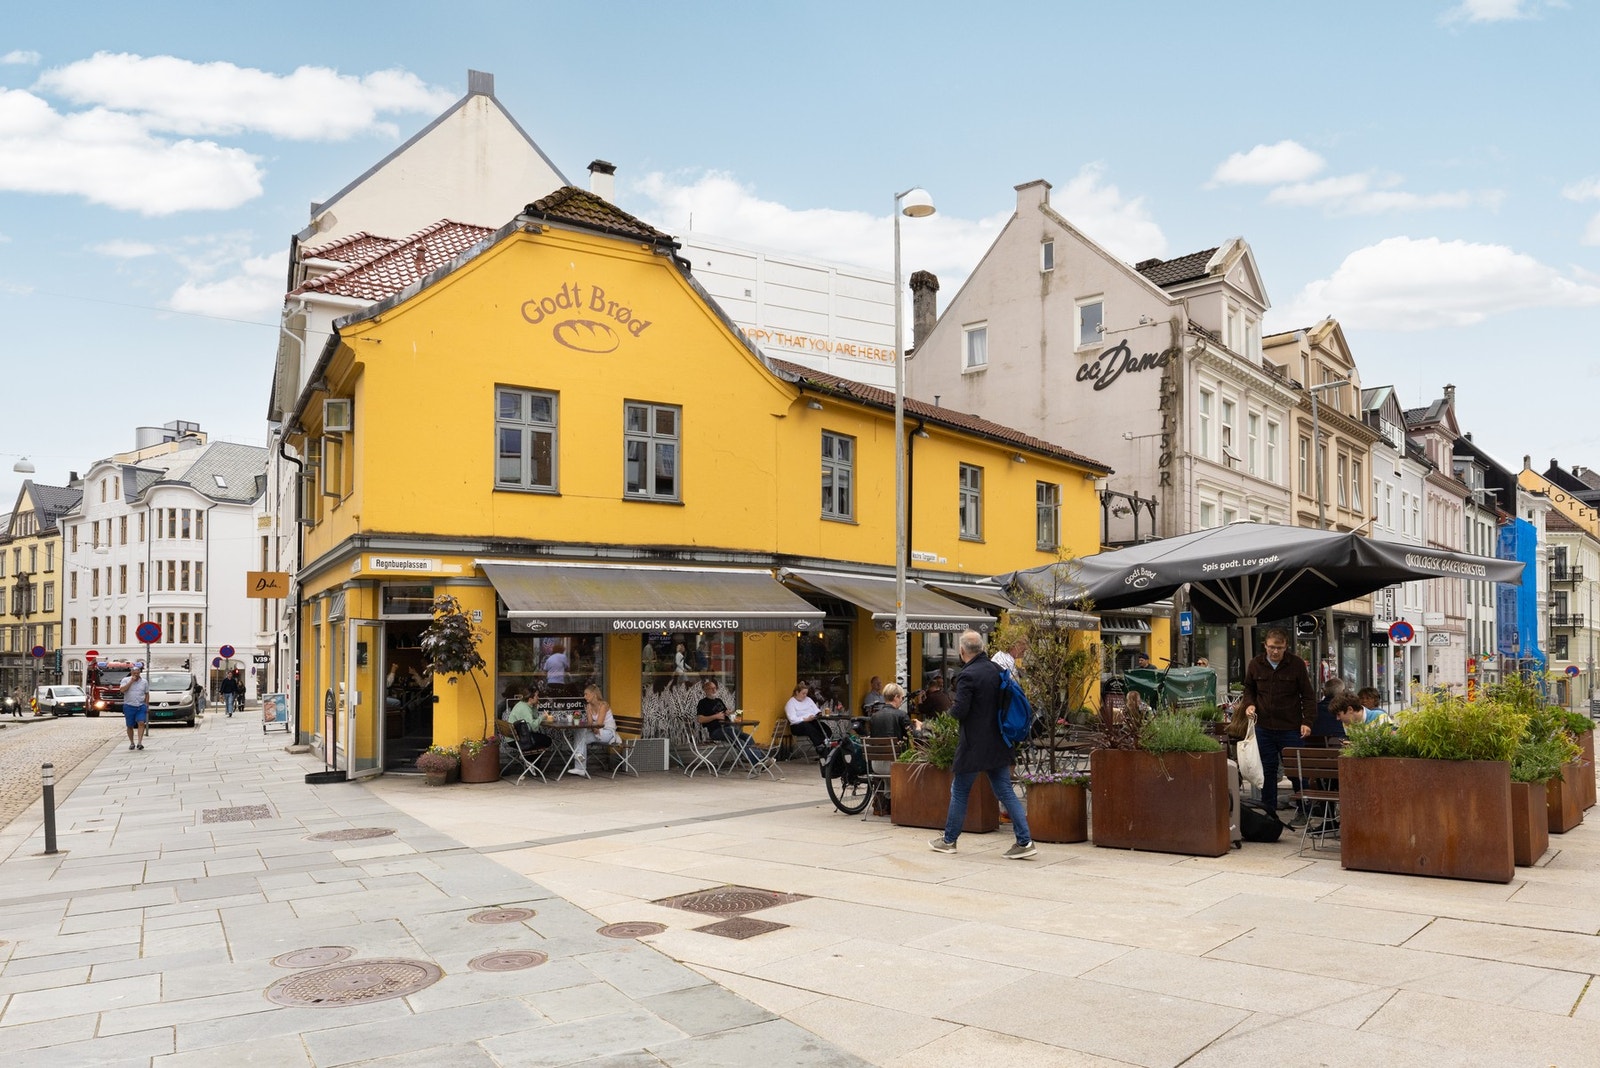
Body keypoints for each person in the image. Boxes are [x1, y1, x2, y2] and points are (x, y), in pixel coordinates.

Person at [929, 630, 1036, 860]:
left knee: (959, 791)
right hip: (999, 741)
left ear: (962, 651)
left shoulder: (967, 675)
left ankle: (949, 840)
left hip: (974, 745)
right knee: (1005, 791)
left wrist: (949, 710)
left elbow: (960, 711)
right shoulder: (997, 670)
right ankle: (1025, 841)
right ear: (981, 648)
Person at [1239, 628, 1315, 814]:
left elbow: (1308, 696)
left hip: (1290, 727)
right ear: (1265, 645)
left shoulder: (1296, 664)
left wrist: (1308, 721)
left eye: (1279, 648)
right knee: (1267, 771)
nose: (1275, 652)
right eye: (1272, 647)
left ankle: (1304, 811)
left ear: (1285, 647)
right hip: (1264, 727)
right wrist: (1249, 704)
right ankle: (1269, 812)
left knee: (1296, 771)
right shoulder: (1256, 664)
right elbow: (1249, 689)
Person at [696, 679, 767, 763]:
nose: (714, 690)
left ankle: (758, 757)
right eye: (711, 688)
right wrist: (715, 716)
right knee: (738, 740)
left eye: (715, 688)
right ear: (706, 690)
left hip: (728, 728)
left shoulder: (719, 701)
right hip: (715, 731)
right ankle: (758, 761)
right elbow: (700, 719)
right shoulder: (702, 703)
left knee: (748, 737)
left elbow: (727, 713)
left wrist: (730, 713)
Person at [567, 683, 620, 778]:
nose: (584, 697)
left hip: (608, 733)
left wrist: (591, 727)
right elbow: (591, 724)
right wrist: (589, 720)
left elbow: (598, 725)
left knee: (581, 736)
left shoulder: (603, 705)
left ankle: (579, 764)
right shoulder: (589, 706)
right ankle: (580, 764)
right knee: (579, 733)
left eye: (586, 694)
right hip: (598, 731)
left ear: (594, 695)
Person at [785, 681, 829, 758]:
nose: (805, 696)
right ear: (796, 692)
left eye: (806, 693)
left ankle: (826, 745)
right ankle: (820, 746)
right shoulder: (791, 703)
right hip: (798, 725)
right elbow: (792, 719)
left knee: (824, 727)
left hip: (811, 721)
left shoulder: (808, 700)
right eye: (803, 693)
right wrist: (805, 719)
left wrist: (819, 714)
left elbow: (816, 710)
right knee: (808, 727)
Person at [506, 686, 552, 753]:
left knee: (541, 740)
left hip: (516, 737)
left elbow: (535, 718)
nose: (538, 698)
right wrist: (542, 716)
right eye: (537, 696)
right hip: (517, 739)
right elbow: (533, 727)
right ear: (530, 699)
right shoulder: (525, 709)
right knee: (547, 741)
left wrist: (535, 707)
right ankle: (531, 761)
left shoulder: (524, 705)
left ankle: (529, 760)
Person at [120, 664, 150, 751]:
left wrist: (146, 705)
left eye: (138, 673)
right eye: (134, 673)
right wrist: (131, 682)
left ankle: (140, 742)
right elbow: (122, 690)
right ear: (131, 673)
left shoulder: (144, 682)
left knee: (141, 723)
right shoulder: (125, 680)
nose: (136, 675)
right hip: (129, 705)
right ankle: (132, 742)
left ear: (140, 673)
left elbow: (147, 693)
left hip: (141, 706)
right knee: (130, 725)